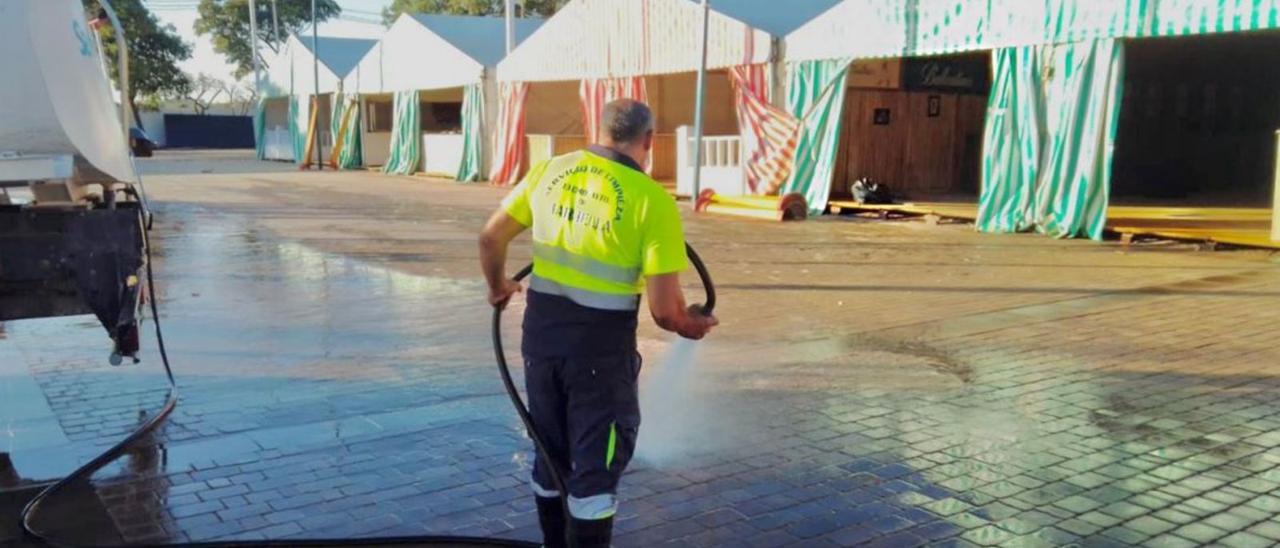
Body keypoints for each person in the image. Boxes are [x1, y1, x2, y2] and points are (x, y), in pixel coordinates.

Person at [479, 99, 718, 548]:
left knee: (550, 453)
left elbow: (491, 237)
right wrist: (691, 326)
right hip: (599, 358)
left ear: (599, 129)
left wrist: (497, 286)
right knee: (595, 471)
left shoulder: (549, 171)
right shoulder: (651, 200)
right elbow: (666, 311)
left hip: (540, 343)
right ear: (648, 141)